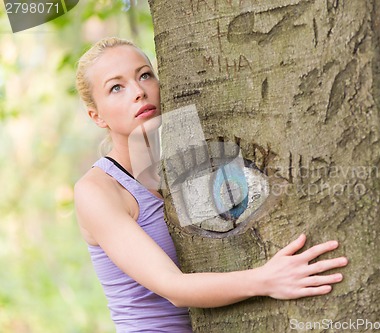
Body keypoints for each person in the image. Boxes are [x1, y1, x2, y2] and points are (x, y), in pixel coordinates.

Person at [74, 37, 348, 333]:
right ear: (96, 116)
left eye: (145, 75)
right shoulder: (97, 191)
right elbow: (173, 288)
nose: (139, 92)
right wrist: (267, 279)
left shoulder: (183, 163)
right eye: (117, 87)